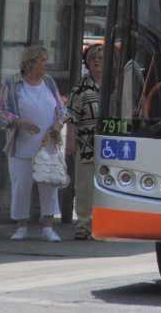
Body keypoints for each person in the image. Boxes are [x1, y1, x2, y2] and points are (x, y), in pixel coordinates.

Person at [0, 46, 66, 242]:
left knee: (49, 185)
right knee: (21, 186)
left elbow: (62, 110)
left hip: (47, 146)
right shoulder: (13, 83)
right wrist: (19, 121)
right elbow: (1, 110)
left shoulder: (49, 83)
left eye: (46, 60)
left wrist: (58, 124)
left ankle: (48, 227)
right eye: (42, 60)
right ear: (30, 62)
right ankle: (21, 226)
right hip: (20, 147)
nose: (46, 64)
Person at [66, 43, 102, 240]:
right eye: (93, 58)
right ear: (87, 63)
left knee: (104, 186)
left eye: (101, 58)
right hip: (85, 143)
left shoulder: (115, 85)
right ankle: (83, 225)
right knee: (84, 186)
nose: (97, 61)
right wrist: (70, 140)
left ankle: (101, 225)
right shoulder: (81, 87)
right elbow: (71, 116)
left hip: (109, 146)